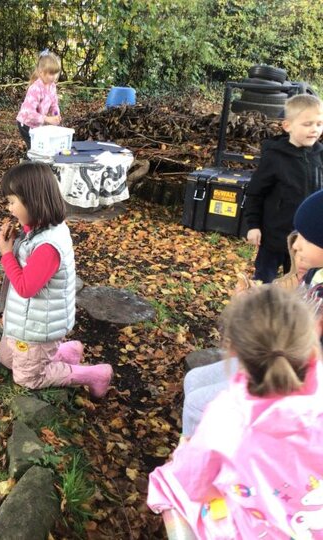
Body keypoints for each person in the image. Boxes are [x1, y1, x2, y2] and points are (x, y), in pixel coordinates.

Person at [148, 285, 323, 539]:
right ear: (313, 346)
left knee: (168, 484)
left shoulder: (227, 416)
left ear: (233, 353)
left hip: (256, 531)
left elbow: (194, 484)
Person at [181, 189, 323, 437]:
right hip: (279, 361)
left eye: (306, 238)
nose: (296, 244)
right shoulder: (315, 273)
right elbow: (293, 309)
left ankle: (201, 456)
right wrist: (256, 300)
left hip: (299, 386)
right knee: (194, 379)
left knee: (198, 404)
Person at [0, 162, 113, 396]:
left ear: (33, 201)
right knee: (6, 358)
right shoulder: (41, 228)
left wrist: (7, 253)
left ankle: (96, 374)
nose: (9, 208)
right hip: (26, 319)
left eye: (12, 202)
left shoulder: (48, 246)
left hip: (37, 327)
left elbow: (26, 288)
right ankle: (67, 352)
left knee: (27, 378)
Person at [244, 94, 323, 283]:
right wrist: (253, 226)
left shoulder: (320, 156)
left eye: (319, 124)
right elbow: (255, 193)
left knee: (299, 282)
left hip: (305, 240)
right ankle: (261, 302)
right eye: (307, 124)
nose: (314, 129)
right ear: (288, 126)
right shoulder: (274, 157)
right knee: (264, 279)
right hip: (274, 237)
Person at [16, 49, 62, 150]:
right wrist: (47, 119)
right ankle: (30, 159)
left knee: (39, 146)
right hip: (26, 123)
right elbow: (29, 113)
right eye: (51, 73)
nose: (54, 77)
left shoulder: (52, 86)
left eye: (56, 73)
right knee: (35, 149)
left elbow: (54, 104)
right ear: (41, 73)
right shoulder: (35, 88)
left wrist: (55, 115)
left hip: (37, 124)